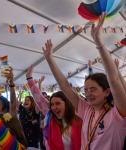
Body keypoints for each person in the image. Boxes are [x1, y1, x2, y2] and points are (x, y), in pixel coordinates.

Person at [41, 13, 126, 150]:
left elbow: (114, 80)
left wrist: (98, 42)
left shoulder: (118, 113)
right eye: (86, 90)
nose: (88, 94)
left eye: (93, 90)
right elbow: (65, 86)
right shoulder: (87, 109)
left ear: (106, 91)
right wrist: (50, 58)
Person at [26, 66, 82, 150]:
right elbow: (39, 98)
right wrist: (29, 79)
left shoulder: (80, 118)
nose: (54, 107)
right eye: (52, 104)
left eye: (58, 103)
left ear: (67, 104)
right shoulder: (51, 116)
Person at [5, 67, 41, 150]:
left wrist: (37, 85)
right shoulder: (22, 110)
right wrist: (11, 83)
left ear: (32, 102)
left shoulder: (35, 111)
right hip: (21, 143)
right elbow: (14, 100)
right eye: (25, 100)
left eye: (28, 100)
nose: (25, 101)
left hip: (33, 145)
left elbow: (38, 99)